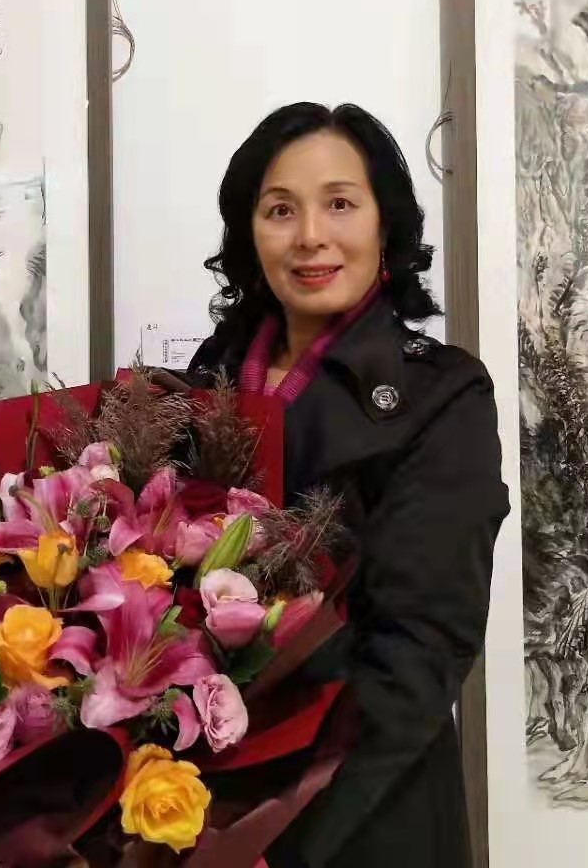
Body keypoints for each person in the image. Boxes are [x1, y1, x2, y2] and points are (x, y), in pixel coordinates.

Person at [180, 102, 510, 867]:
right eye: (280, 210)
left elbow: (420, 651)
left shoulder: (444, 395)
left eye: (339, 204)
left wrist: (272, 835)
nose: (310, 236)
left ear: (384, 225)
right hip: (194, 803)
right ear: (248, 233)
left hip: (362, 816)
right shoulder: (206, 377)